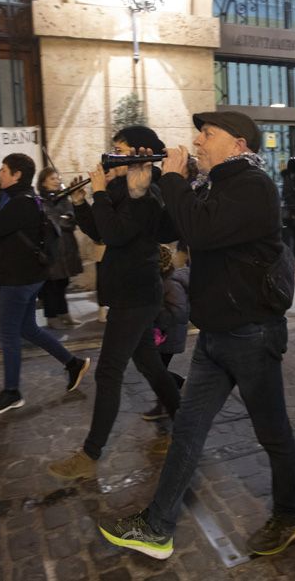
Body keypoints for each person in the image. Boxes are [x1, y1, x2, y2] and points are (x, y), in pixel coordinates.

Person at [99, 111, 295, 561]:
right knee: (187, 432)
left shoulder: (253, 186)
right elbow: (165, 228)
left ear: (238, 144)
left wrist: (172, 177)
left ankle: (291, 513)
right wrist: (139, 190)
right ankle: (157, 526)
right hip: (214, 337)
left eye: (207, 134)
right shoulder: (212, 185)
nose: (196, 140)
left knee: (273, 434)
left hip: (253, 335)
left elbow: (199, 229)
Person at [46, 126, 182, 479]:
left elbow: (115, 233)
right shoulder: (122, 190)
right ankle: (185, 424)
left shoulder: (145, 195)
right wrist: (81, 202)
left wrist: (100, 193)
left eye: (120, 151)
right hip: (127, 291)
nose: (113, 157)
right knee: (151, 366)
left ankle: (90, 454)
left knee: (109, 371)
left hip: (136, 295)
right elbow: (98, 231)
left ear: (140, 154)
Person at [0, 154, 90, 416]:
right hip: (29, 276)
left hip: (19, 279)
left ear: (17, 175)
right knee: (28, 328)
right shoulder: (27, 199)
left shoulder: (19, 204)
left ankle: (12, 392)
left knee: (7, 333)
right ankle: (73, 363)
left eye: (3, 170)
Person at [141, 243, 190, 421]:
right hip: (163, 334)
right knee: (157, 371)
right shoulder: (161, 281)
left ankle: (164, 405)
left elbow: (179, 311)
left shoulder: (170, 283)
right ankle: (180, 387)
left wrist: (156, 312)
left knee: (157, 372)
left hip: (169, 335)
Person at [35, 167, 85, 330]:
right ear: (43, 182)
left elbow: (72, 220)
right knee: (51, 284)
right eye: (52, 179)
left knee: (63, 282)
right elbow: (51, 221)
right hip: (52, 247)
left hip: (67, 246)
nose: (57, 181)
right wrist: (62, 220)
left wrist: (64, 220)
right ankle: (51, 316)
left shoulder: (63, 198)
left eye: (57, 178)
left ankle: (64, 313)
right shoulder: (40, 200)